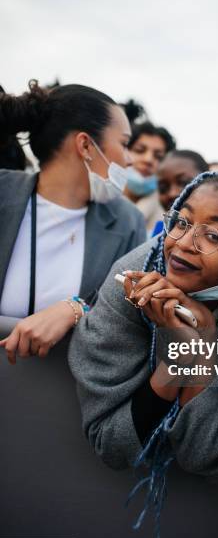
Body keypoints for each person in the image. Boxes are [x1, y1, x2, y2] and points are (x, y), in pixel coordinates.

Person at [68, 171, 218, 530]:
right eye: (181, 222)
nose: (182, 244)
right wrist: (181, 351)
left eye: (213, 235)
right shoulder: (136, 275)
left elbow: (207, 451)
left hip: (213, 520)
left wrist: (208, 339)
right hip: (106, 508)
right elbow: (111, 442)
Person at [0, 80, 146, 363]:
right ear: (86, 145)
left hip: (65, 397)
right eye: (125, 144)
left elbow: (129, 319)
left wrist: (76, 309)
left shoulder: (128, 222)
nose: (129, 160)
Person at [124, 121, 176, 232]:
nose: (148, 160)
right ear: (124, 150)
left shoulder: (168, 223)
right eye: (139, 150)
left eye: (158, 156)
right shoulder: (99, 200)